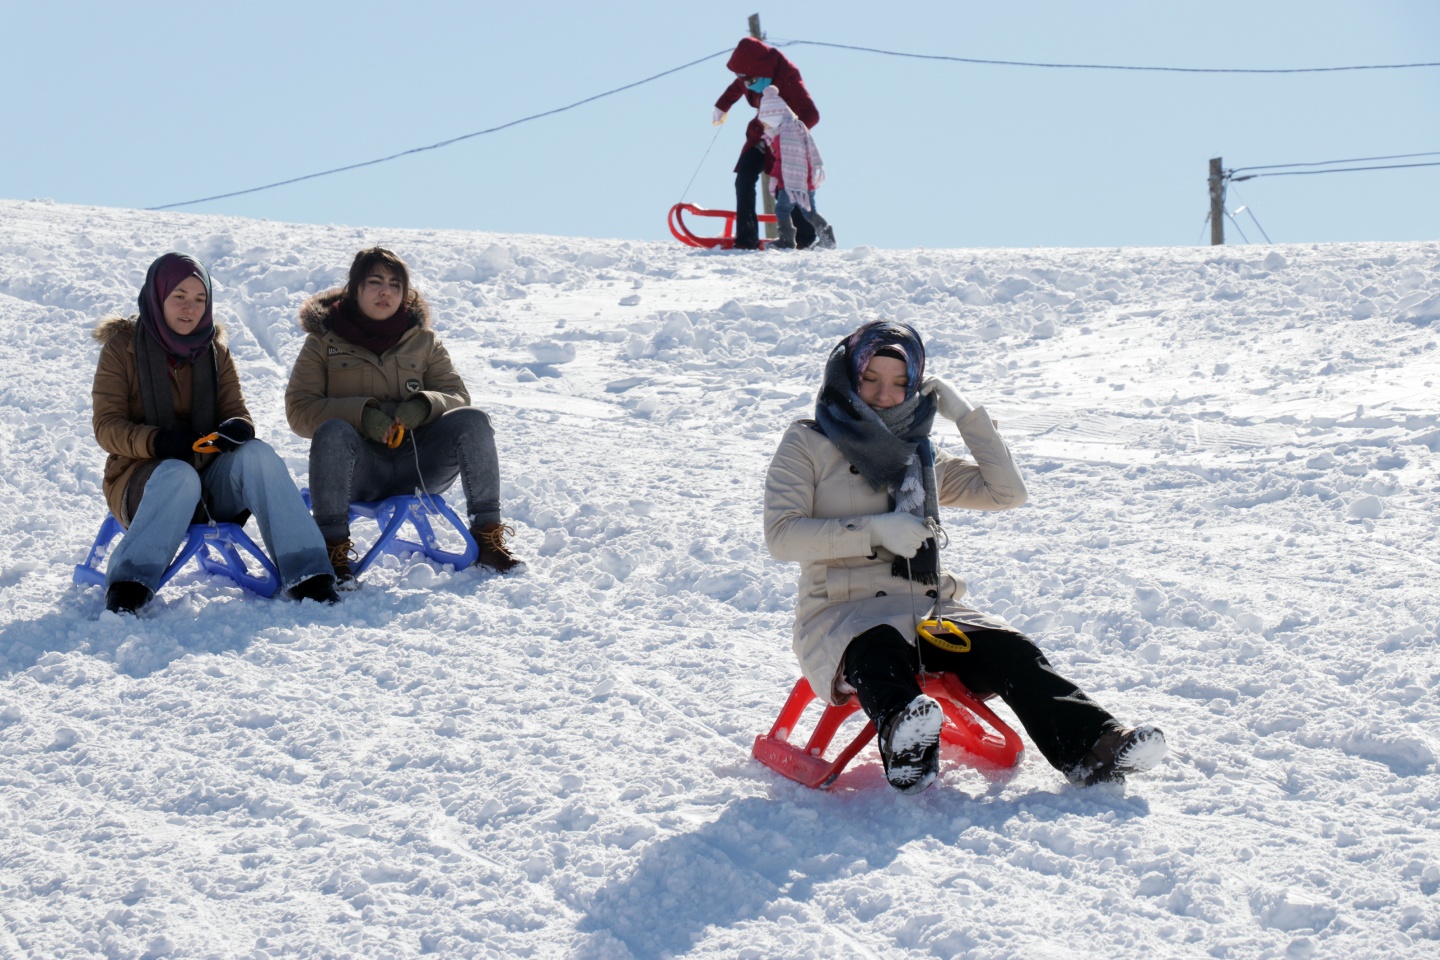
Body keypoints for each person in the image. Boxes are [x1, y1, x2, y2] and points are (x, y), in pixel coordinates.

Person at [763, 320, 1167, 793]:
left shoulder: (920, 456)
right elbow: (782, 536)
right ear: (846, 374)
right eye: (870, 378)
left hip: (927, 612)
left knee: (1011, 651)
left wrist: (967, 417)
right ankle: (906, 745)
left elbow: (1007, 493)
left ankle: (1095, 746)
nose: (884, 394)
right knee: (878, 654)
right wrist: (872, 531)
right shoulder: (807, 443)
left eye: (900, 383)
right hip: (843, 612)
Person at [91, 253, 339, 614]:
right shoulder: (123, 349)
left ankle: (308, 574)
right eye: (179, 296)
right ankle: (131, 583)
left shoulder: (214, 352)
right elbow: (107, 427)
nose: (190, 308)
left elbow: (236, 412)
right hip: (142, 482)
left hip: (210, 481)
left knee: (259, 456)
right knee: (178, 475)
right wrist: (157, 441)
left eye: (199, 299)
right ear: (156, 297)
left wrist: (237, 429)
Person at [285, 246, 522, 584]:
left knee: (473, 421)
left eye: (395, 285)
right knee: (334, 431)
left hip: (419, 465)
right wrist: (361, 416)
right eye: (375, 282)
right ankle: (333, 550)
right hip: (360, 471)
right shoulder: (323, 342)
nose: (386, 292)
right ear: (355, 288)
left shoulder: (424, 342)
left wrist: (424, 405)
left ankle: (486, 538)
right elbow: (299, 409)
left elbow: (457, 396)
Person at [713, 36, 820, 250]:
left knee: (784, 189)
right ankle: (746, 239)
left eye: (747, 77)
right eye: (741, 77)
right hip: (760, 136)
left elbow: (812, 115)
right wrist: (722, 106)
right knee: (744, 178)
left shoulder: (788, 77)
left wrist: (787, 134)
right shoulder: (750, 78)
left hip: (786, 143)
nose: (745, 82)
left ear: (760, 69)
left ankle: (806, 238)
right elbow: (737, 87)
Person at [757, 86, 834, 250]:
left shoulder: (786, 135)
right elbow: (789, 159)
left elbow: (787, 160)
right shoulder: (793, 129)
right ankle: (827, 237)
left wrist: (779, 180)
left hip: (793, 183)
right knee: (809, 212)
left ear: (773, 116)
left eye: (765, 122)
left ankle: (786, 240)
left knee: (782, 210)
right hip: (804, 182)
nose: (765, 126)